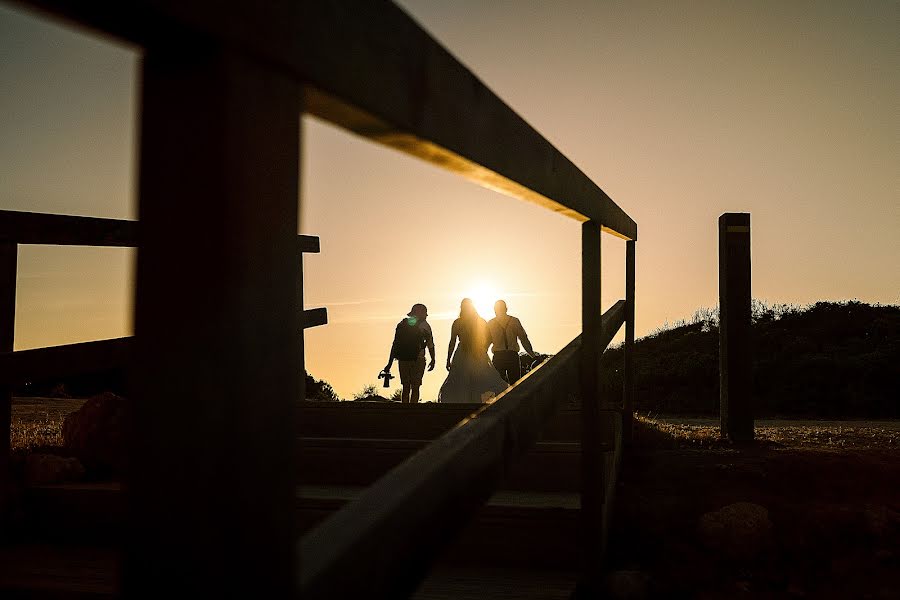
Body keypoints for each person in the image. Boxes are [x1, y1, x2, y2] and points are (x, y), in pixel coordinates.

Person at [438, 298, 509, 403]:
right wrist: (483, 348)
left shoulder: (458, 322)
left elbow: (452, 342)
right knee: (477, 378)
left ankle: (468, 402)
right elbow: (489, 337)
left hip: (466, 352)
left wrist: (448, 358)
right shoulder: (480, 321)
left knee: (463, 378)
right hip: (475, 352)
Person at [383, 303, 436, 403]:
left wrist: (389, 364)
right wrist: (433, 359)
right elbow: (430, 344)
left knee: (405, 387)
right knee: (415, 387)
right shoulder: (425, 326)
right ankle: (413, 411)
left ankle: (404, 411)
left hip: (403, 359)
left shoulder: (401, 325)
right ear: (421, 314)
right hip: (418, 359)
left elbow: (395, 344)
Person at [487, 299, 537, 384]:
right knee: (516, 385)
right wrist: (532, 355)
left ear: (495, 310)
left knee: (498, 386)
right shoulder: (514, 321)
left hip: (499, 357)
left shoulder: (490, 323)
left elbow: (486, 342)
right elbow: (524, 339)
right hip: (512, 356)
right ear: (506, 309)